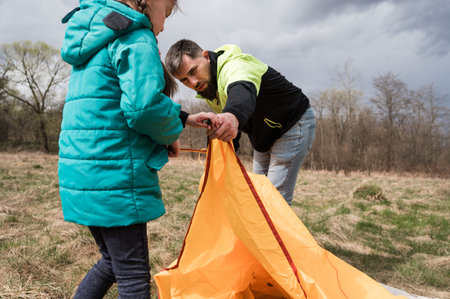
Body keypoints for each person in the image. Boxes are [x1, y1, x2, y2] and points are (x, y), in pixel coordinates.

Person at [59, 1, 215, 298]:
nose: (164, 24)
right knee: (132, 275)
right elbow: (142, 109)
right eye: (166, 13)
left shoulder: (96, 32)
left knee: (111, 262)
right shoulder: (135, 36)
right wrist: (170, 134)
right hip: (114, 175)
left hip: (83, 173)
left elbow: (116, 95)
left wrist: (183, 118)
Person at [165, 39, 316, 205]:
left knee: (274, 202)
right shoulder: (208, 87)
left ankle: (276, 231)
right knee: (257, 196)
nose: (193, 83)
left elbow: (241, 89)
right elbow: (230, 131)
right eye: (185, 80)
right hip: (263, 137)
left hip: (292, 124)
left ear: (206, 56)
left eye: (193, 71)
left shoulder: (235, 65)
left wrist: (232, 114)